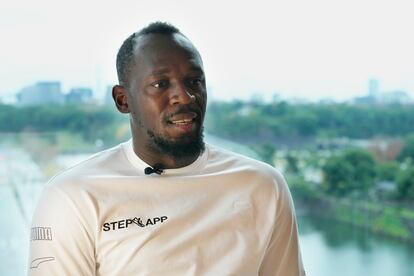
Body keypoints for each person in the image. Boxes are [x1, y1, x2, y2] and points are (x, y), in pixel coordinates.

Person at [28, 22, 305, 276]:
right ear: (123, 100)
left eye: (194, 81)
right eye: (161, 84)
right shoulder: (73, 197)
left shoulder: (262, 185)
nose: (184, 97)